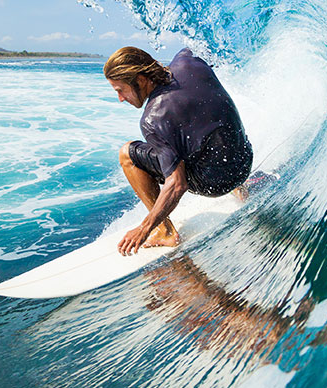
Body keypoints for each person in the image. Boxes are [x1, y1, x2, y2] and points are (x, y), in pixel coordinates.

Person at [105, 47, 253, 256]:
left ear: (140, 80)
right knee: (196, 127)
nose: (120, 98)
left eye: (120, 89)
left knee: (127, 154)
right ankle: (242, 188)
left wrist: (144, 228)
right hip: (244, 161)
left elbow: (177, 184)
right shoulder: (188, 61)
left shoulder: (153, 118)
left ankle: (164, 231)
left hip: (216, 184)